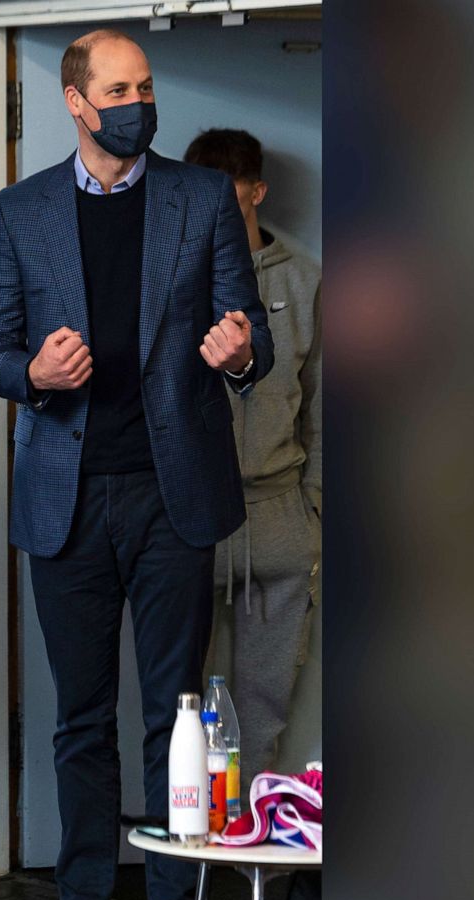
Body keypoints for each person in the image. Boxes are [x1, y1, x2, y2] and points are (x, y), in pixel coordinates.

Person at [0, 30, 273, 900]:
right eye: (118, 88)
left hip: (172, 492)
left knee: (177, 717)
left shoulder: (201, 196)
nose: (138, 100)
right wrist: (32, 374)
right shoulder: (20, 210)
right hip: (64, 495)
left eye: (145, 85)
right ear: (75, 100)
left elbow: (249, 329)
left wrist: (239, 354)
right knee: (81, 719)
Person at [183, 129, 321, 798]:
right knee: (186, 704)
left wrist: (314, 507)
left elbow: (328, 405)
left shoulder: (306, 281)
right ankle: (197, 844)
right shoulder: (172, 279)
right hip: (192, 516)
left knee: (266, 702)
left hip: (280, 513)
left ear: (257, 194)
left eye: (229, 206)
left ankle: (250, 839)